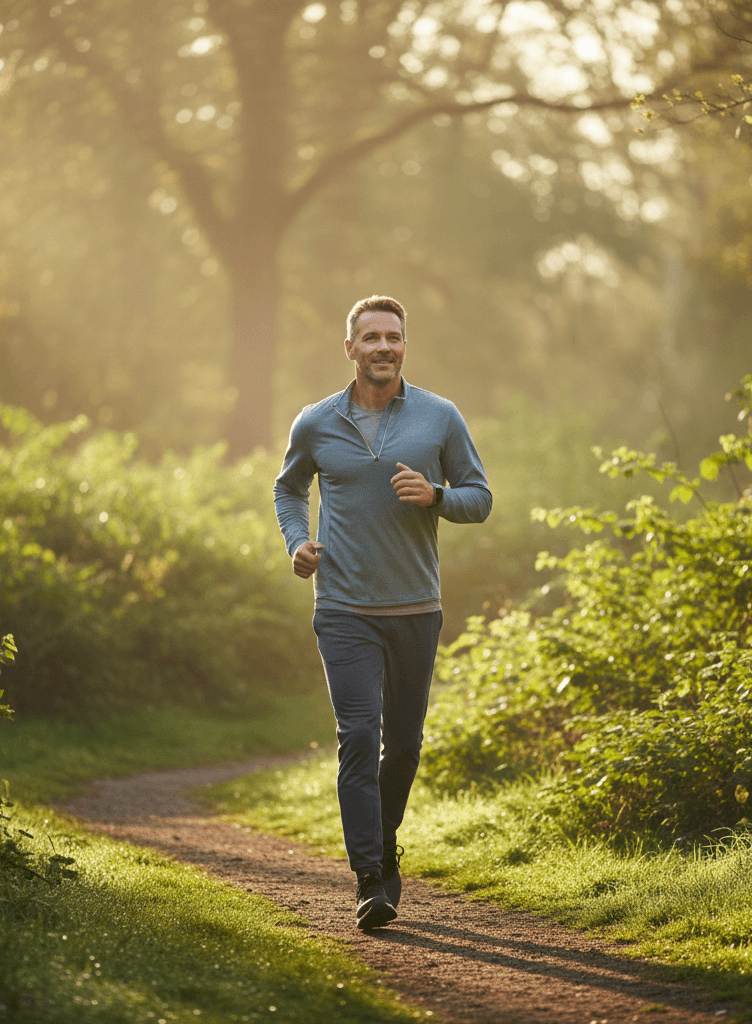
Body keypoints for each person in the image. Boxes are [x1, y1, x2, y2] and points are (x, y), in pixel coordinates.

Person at [273, 295, 492, 931]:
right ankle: (371, 875)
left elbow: (479, 498)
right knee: (359, 736)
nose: (383, 347)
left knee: (404, 744)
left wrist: (437, 495)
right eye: (370, 337)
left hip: (416, 607)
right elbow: (288, 490)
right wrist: (296, 542)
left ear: (404, 345)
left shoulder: (439, 417)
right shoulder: (316, 422)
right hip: (342, 606)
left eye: (393, 337)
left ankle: (382, 837)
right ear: (350, 349)